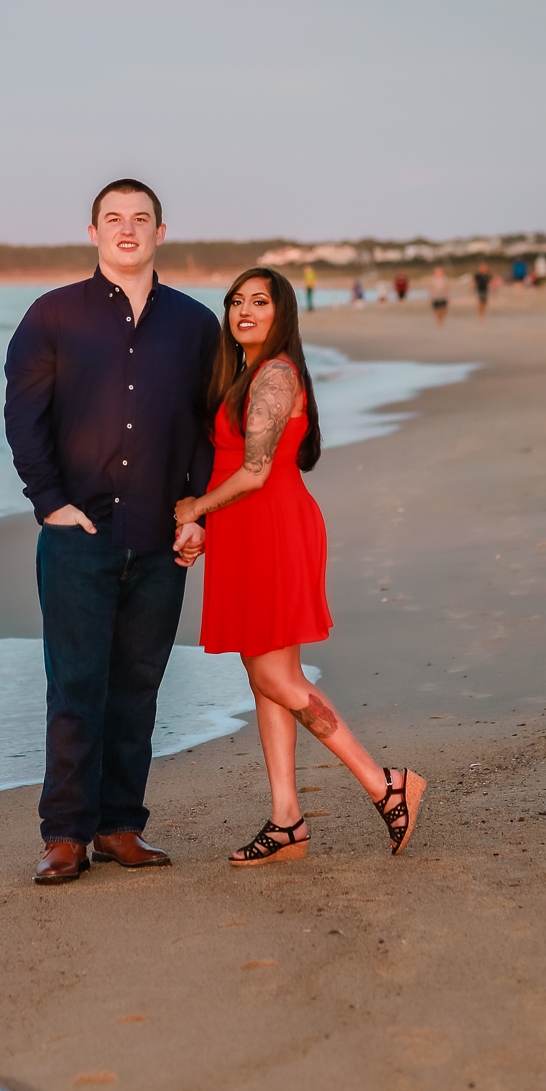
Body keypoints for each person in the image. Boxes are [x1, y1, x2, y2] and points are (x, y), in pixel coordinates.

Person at [4, 179, 219, 885]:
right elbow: (23, 417)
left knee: (138, 685)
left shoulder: (194, 326)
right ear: (94, 231)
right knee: (75, 685)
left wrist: (197, 512)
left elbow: (203, 428)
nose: (128, 230)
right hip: (78, 533)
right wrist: (49, 503)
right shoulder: (52, 316)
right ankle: (65, 834)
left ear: (162, 231)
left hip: (160, 537)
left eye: (141, 219)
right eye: (114, 219)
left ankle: (121, 827)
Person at [174, 269, 426, 866]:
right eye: (236, 301)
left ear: (281, 313)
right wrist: (209, 524)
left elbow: (256, 470)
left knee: (277, 679)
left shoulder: (275, 375)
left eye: (258, 302)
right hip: (248, 531)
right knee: (264, 674)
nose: (244, 311)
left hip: (272, 531)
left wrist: (195, 508)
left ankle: (385, 783)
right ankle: (287, 819)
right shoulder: (246, 375)